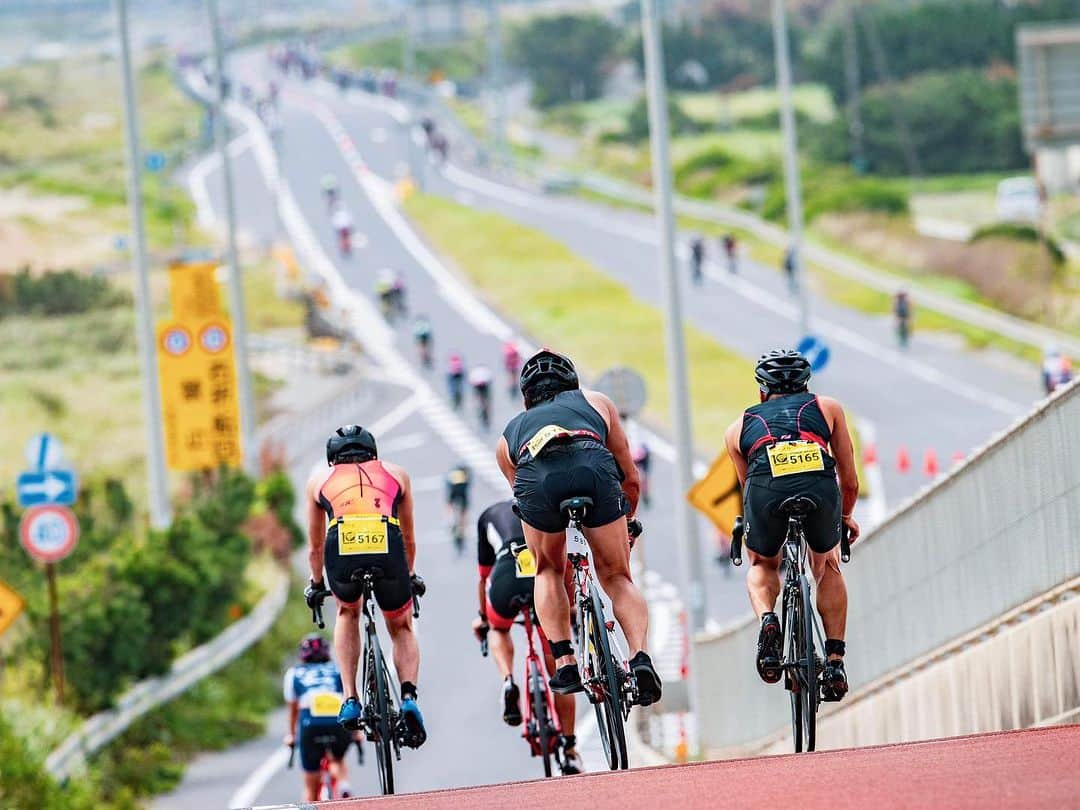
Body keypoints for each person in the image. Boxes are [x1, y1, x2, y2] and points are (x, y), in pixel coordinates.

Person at [495, 349, 662, 705]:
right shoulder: (598, 403)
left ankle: (565, 660)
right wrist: (626, 523)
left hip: (538, 481)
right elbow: (630, 478)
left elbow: (524, 502)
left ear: (526, 397)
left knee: (546, 569)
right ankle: (639, 658)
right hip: (593, 469)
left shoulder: (508, 437)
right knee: (617, 577)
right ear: (573, 383)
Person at [722, 350, 860, 702]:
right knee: (826, 563)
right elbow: (850, 481)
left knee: (763, 563)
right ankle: (834, 660)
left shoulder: (737, 428)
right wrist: (844, 518)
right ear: (806, 385)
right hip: (819, 487)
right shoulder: (828, 408)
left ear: (761, 392)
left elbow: (748, 486)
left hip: (766, 490)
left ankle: (769, 620)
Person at [303, 426, 427, 747]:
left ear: (333, 460)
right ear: (374, 453)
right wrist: (409, 576)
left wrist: (316, 584)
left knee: (347, 613)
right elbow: (410, 537)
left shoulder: (319, 481)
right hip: (387, 541)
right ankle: (409, 697)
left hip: (341, 546)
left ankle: (350, 698)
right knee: (400, 625)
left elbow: (315, 548)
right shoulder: (396, 474)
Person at [471, 500, 584, 775]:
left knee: (498, 628)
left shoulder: (488, 515)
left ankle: (508, 680)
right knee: (559, 663)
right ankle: (569, 750)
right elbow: (563, 565)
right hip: (539, 575)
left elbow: (483, 578)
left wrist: (483, 619)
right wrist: (567, 607)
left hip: (505, 576)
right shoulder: (543, 507)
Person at [283, 634, 356, 801]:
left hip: (310, 723)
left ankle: (312, 801)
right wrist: (357, 732)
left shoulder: (294, 673)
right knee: (337, 758)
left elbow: (293, 710)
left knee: (310, 786)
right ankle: (343, 783)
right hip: (338, 720)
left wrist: (292, 735)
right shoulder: (338, 669)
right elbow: (350, 697)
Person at [445, 462, 471, 553]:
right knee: (463, 514)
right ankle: (459, 526)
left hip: (454, 492)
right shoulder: (466, 475)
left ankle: (450, 521)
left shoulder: (454, 474)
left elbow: (448, 488)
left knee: (450, 506)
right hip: (461, 494)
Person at [469, 364, 494, 429]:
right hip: (483, 387)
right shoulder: (486, 371)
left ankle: (481, 410)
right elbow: (490, 380)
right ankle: (484, 412)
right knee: (486, 403)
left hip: (479, 387)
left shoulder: (475, 372)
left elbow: (471, 381)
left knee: (481, 402)